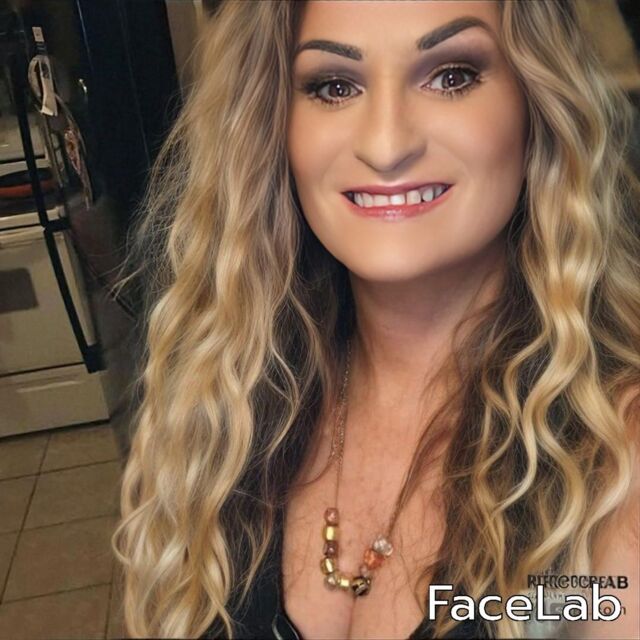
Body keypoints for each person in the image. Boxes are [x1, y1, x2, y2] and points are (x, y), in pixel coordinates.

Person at [111, 1, 640, 638]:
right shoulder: (219, 403)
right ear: (272, 124)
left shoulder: (618, 455)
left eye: (451, 76)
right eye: (334, 86)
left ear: (538, 104)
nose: (387, 146)